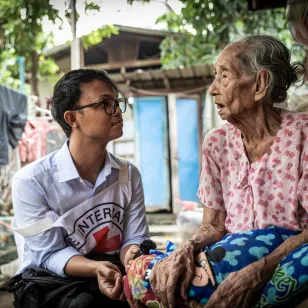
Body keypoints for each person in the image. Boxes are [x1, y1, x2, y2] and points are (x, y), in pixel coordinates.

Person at [147, 35, 308, 308]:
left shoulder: (303, 133)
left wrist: (259, 271)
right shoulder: (217, 142)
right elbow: (214, 224)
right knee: (158, 275)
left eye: (223, 76)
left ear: (259, 84)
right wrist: (187, 248)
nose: (212, 89)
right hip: (232, 253)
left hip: (289, 254)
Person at [11, 69, 149, 307]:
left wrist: (135, 260)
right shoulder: (32, 181)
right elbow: (48, 254)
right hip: (52, 281)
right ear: (72, 118)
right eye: (105, 103)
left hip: (111, 271)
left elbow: (134, 238)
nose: (116, 110)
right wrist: (95, 268)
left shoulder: (128, 175)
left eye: (117, 102)